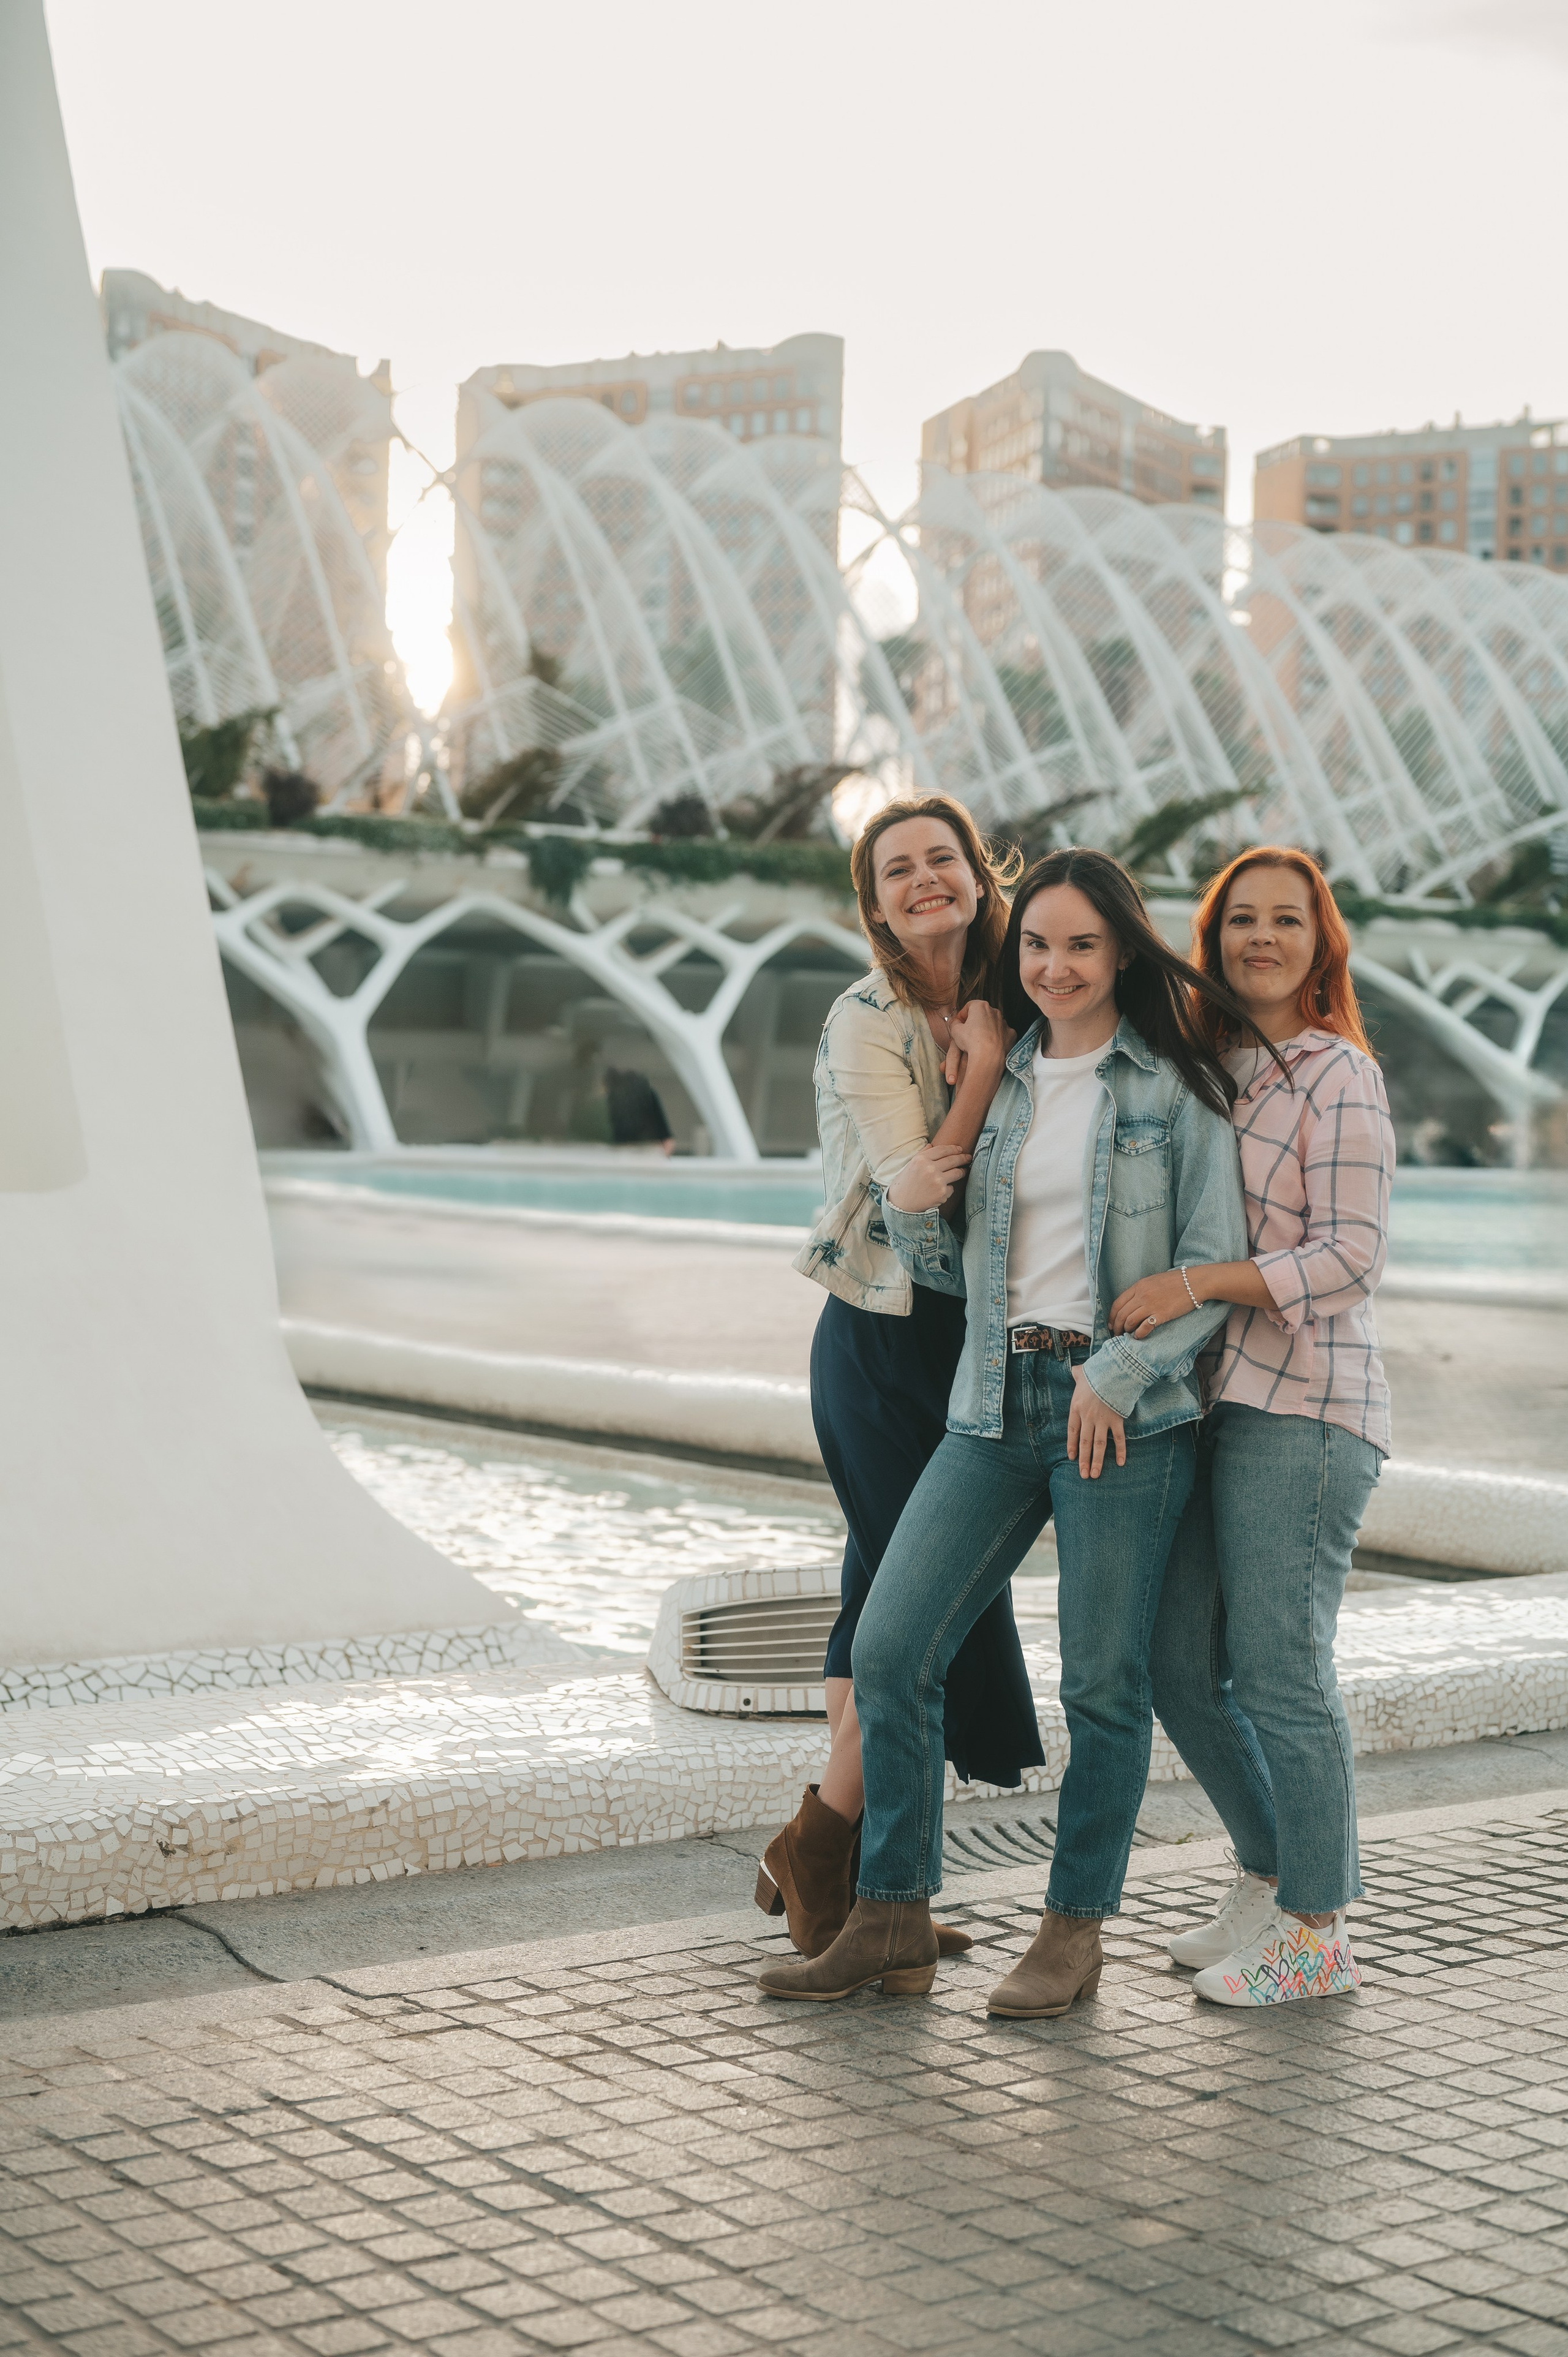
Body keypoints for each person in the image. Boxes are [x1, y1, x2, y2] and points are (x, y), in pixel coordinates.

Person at [757, 847, 1252, 2015]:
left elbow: (1209, 1273)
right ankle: (891, 1920)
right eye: (1037, 945)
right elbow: (951, 1253)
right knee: (890, 1648)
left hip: (1114, 1416)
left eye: (1081, 944)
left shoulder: (1175, 1089)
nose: (1057, 964)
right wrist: (924, 1181)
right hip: (990, 1404)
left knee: (1103, 1686)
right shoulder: (1009, 1074)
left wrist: (1119, 1374)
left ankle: (1073, 1934)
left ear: (1121, 950)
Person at [756, 794, 1043, 1959]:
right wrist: (976, 1072)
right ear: (874, 904)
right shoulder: (866, 1019)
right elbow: (914, 1186)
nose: (925, 881)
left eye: (943, 860)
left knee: (879, 1595)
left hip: (980, 1342)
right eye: (897, 871)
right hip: (881, 1340)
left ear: (978, 876)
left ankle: (869, 1886)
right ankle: (826, 1850)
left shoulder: (1033, 988)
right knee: (910, 1613)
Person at [1112, 848, 1393, 2007]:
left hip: (1311, 1409)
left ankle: (1317, 1932)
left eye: (1288, 921)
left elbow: (1352, 1256)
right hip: (1210, 1406)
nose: (1261, 938)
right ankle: (1269, 1873)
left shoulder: (1340, 1075)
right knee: (1177, 1661)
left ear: (1321, 945)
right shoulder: (1206, 1068)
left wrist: (1200, 1286)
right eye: (1241, 920)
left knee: (1281, 1668)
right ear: (1213, 935)